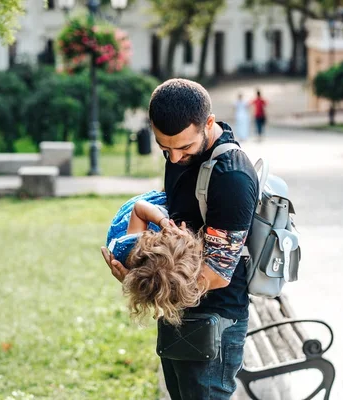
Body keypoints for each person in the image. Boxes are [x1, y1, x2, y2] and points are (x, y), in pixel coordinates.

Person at [101, 78, 259, 399]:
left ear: (208, 124)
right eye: (164, 148)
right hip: (179, 309)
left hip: (214, 322)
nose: (173, 159)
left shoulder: (232, 177)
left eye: (184, 148)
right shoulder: (179, 151)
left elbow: (215, 274)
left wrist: (142, 283)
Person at [103, 190, 207, 326]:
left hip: (129, 218)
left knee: (167, 198)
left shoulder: (133, 244)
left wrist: (164, 223)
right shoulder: (152, 282)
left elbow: (139, 208)